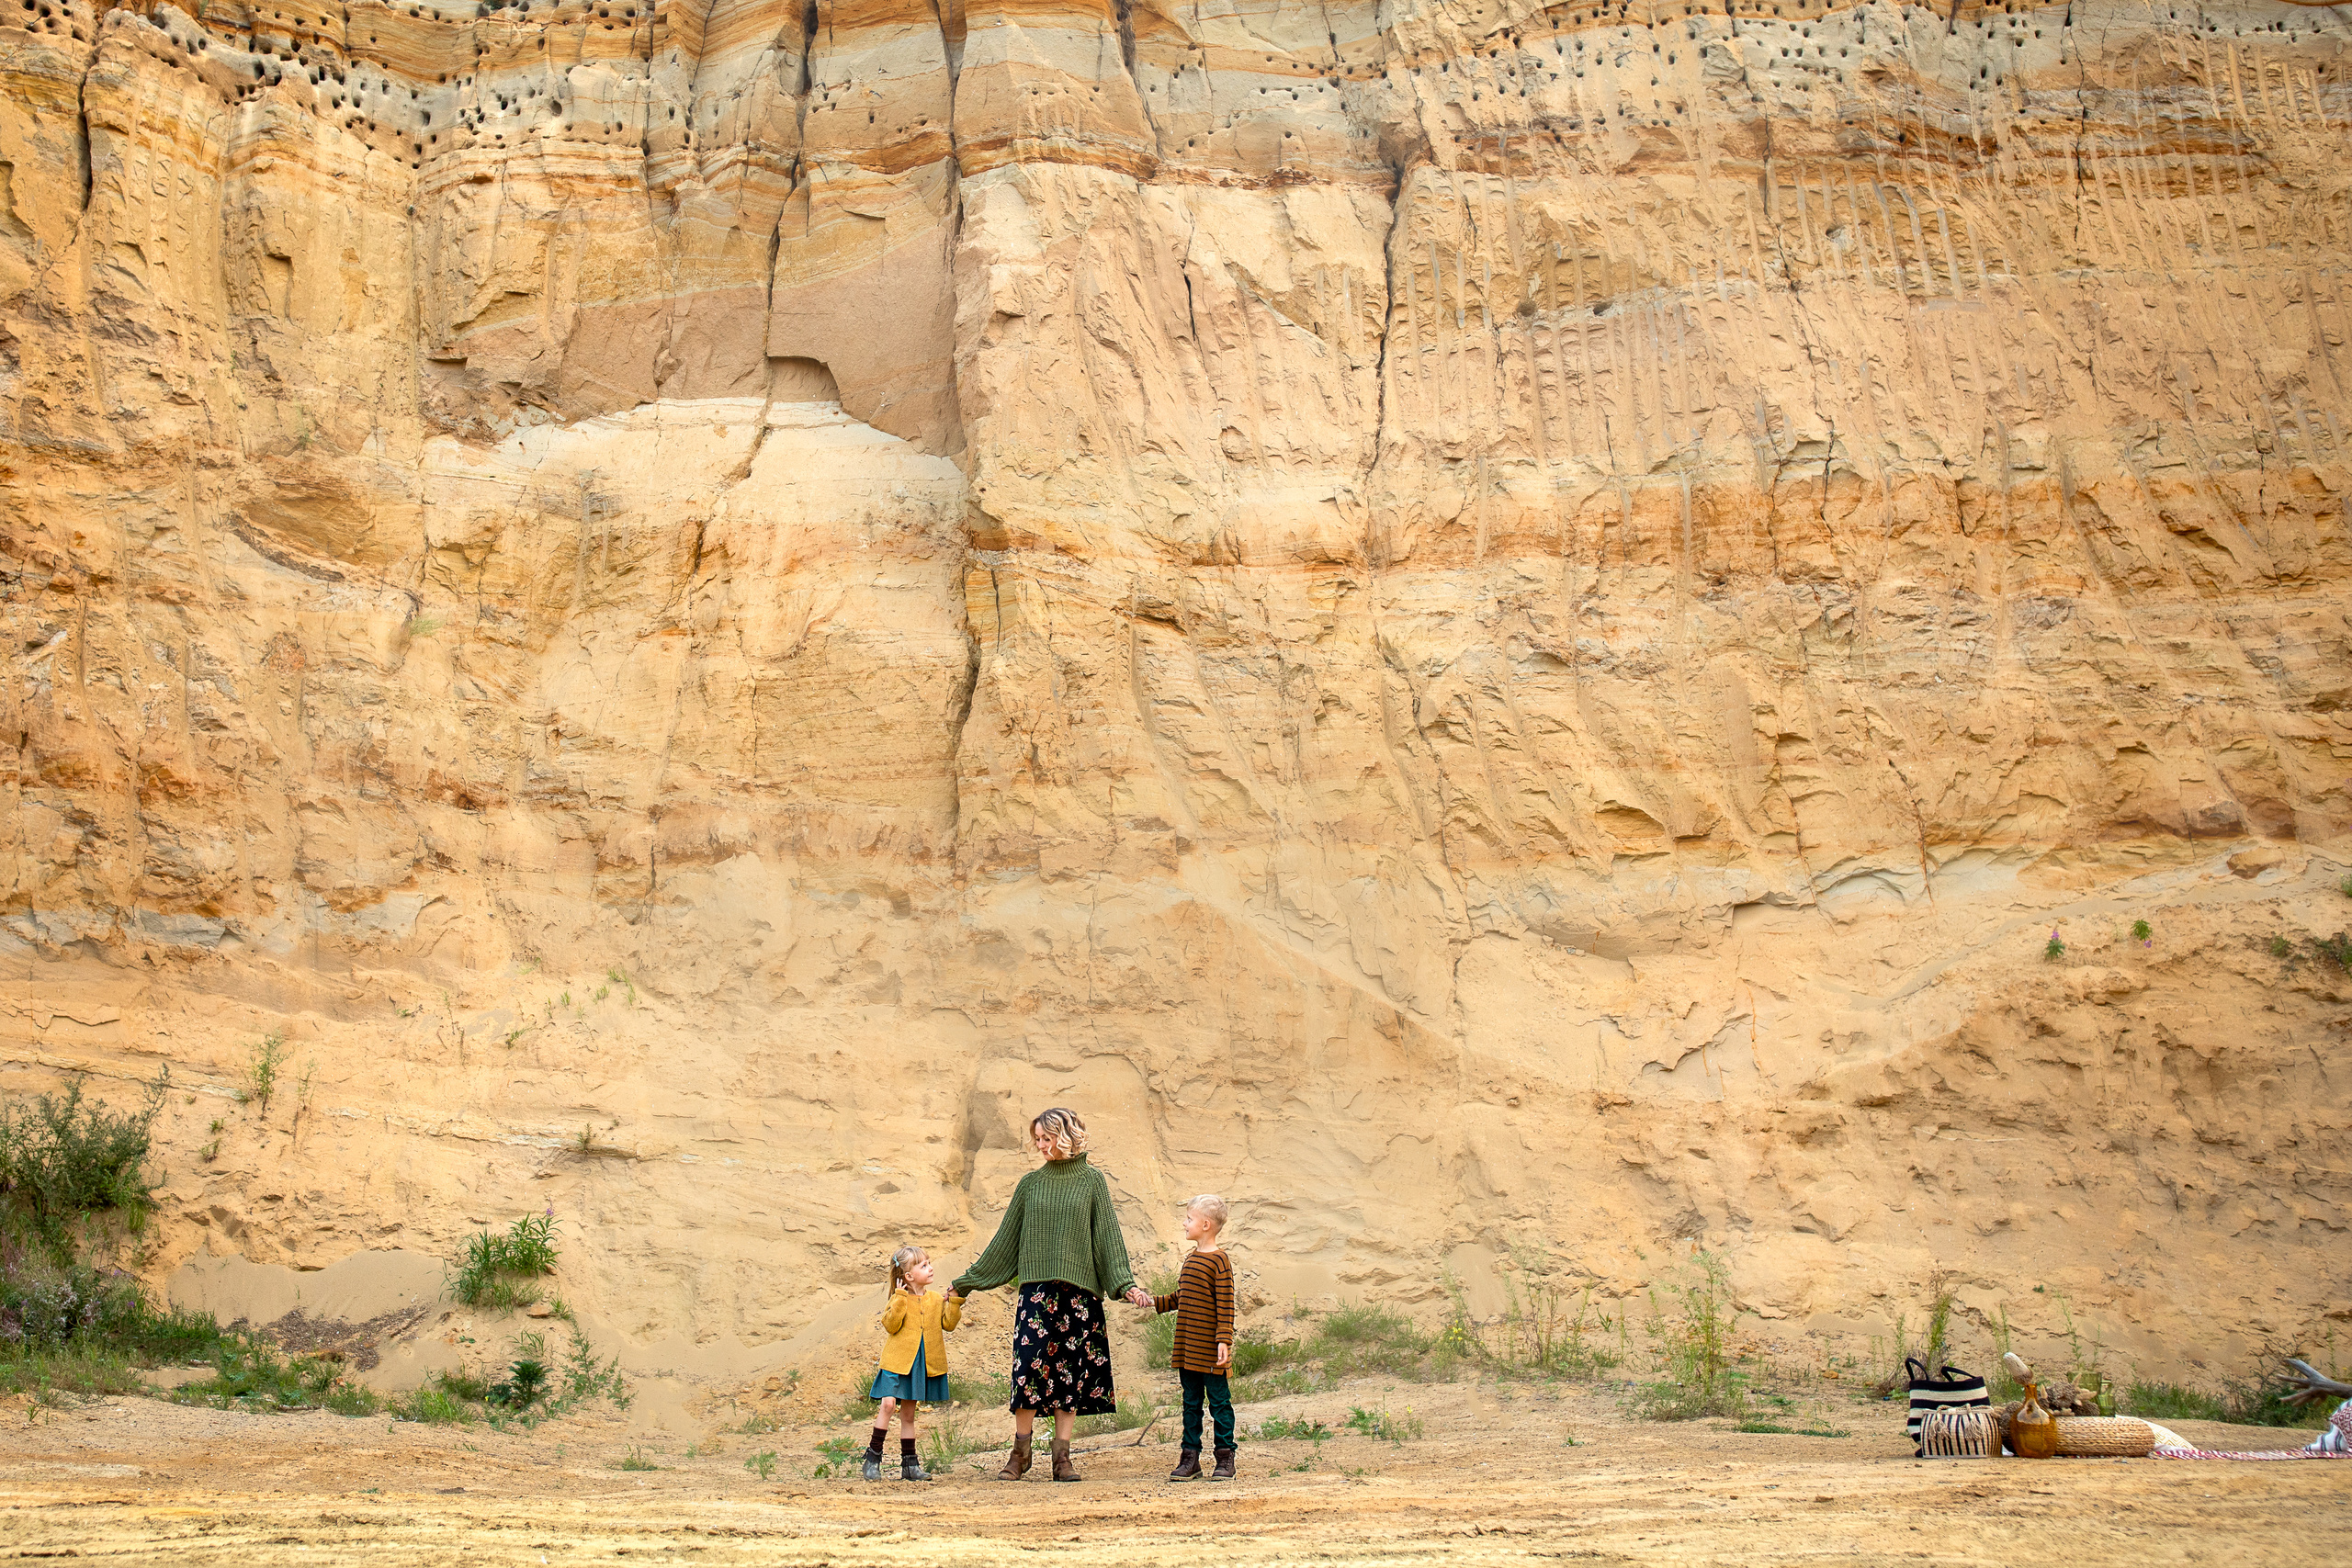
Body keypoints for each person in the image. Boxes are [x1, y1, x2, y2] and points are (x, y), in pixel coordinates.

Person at [949, 1107, 1148, 1482]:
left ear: (1066, 1135)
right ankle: (1019, 1454)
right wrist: (967, 1281)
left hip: (1079, 1297)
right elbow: (1005, 1243)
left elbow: (1107, 1238)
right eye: (1037, 1139)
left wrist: (1126, 1285)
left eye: (1047, 1138)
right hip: (1037, 1296)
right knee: (1027, 1373)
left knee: (1069, 1377)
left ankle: (1062, 1460)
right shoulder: (1030, 1184)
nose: (1041, 1146)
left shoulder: (1092, 1181)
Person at [1150, 1193, 1238, 1482]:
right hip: (1188, 1347)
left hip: (1210, 1351)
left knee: (1219, 1404)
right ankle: (1190, 1460)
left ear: (1206, 1224)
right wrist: (1154, 1302)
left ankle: (1225, 1459)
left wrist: (1223, 1340)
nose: (1185, 1223)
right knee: (1191, 1404)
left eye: (1189, 1219)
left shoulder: (1219, 1261)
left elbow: (1226, 1303)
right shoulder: (1191, 1259)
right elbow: (1182, 1297)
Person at [863, 1244, 961, 1481]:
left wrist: (955, 1301)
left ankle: (910, 1466)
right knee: (887, 1405)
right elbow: (891, 1325)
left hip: (919, 1363)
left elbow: (949, 1324)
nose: (930, 1268)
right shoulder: (899, 1298)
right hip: (896, 1362)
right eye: (924, 1265)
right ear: (908, 1276)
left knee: (908, 1413)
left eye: (929, 1263)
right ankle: (872, 1459)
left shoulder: (936, 1300)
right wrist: (899, 1298)